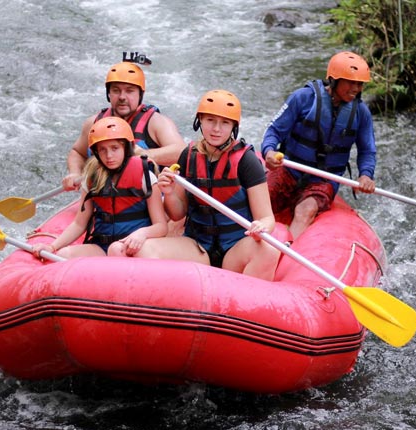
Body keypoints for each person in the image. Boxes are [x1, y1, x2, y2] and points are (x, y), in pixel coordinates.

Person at [137, 90, 280, 281]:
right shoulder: (188, 156)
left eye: (225, 123)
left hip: (235, 249)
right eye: (210, 120)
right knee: (144, 250)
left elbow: (266, 217)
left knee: (269, 250)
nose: (216, 129)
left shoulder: (247, 161)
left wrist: (260, 227)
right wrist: (169, 193)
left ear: (233, 127)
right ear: (200, 121)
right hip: (197, 247)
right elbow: (177, 214)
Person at [262, 51, 377, 239]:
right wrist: (269, 150)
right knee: (259, 199)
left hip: (323, 179)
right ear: (334, 80)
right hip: (290, 169)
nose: (356, 88)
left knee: (305, 210)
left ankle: (284, 255)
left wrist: (365, 175)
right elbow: (274, 131)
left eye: (360, 83)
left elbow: (367, 150)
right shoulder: (303, 98)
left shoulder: (361, 113)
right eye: (351, 82)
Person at [32, 116, 168, 259]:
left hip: (132, 247)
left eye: (115, 148)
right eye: (102, 150)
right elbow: (79, 223)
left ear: (126, 148)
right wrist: (52, 246)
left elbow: (161, 226)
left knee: (116, 250)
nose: (109, 155)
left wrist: (142, 234)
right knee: (63, 254)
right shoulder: (92, 178)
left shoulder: (145, 176)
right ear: (96, 152)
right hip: (102, 246)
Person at [62, 61, 186, 191]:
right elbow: (77, 152)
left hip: (147, 199)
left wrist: (146, 154)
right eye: (116, 90)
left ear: (140, 94)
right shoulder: (94, 123)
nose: (122, 97)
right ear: (108, 94)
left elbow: (182, 151)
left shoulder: (156, 123)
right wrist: (75, 172)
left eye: (129, 91)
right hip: (103, 199)